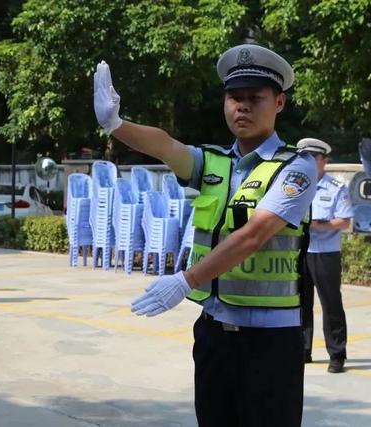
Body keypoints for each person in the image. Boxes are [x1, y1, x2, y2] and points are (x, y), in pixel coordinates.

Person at [94, 44, 316, 426]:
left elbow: (254, 235)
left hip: (270, 340)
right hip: (214, 334)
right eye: (234, 97)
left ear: (279, 102)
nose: (242, 107)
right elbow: (166, 146)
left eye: (254, 98)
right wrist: (117, 124)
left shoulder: (297, 166)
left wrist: (186, 280)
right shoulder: (211, 161)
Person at [297, 138, 352, 373]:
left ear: (324, 161)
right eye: (305, 158)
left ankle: (337, 354)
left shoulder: (336, 188)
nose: (308, 162)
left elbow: (344, 220)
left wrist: (319, 225)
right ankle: (303, 350)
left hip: (325, 253)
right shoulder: (296, 185)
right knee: (301, 303)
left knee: (331, 305)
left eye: (314, 158)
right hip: (300, 250)